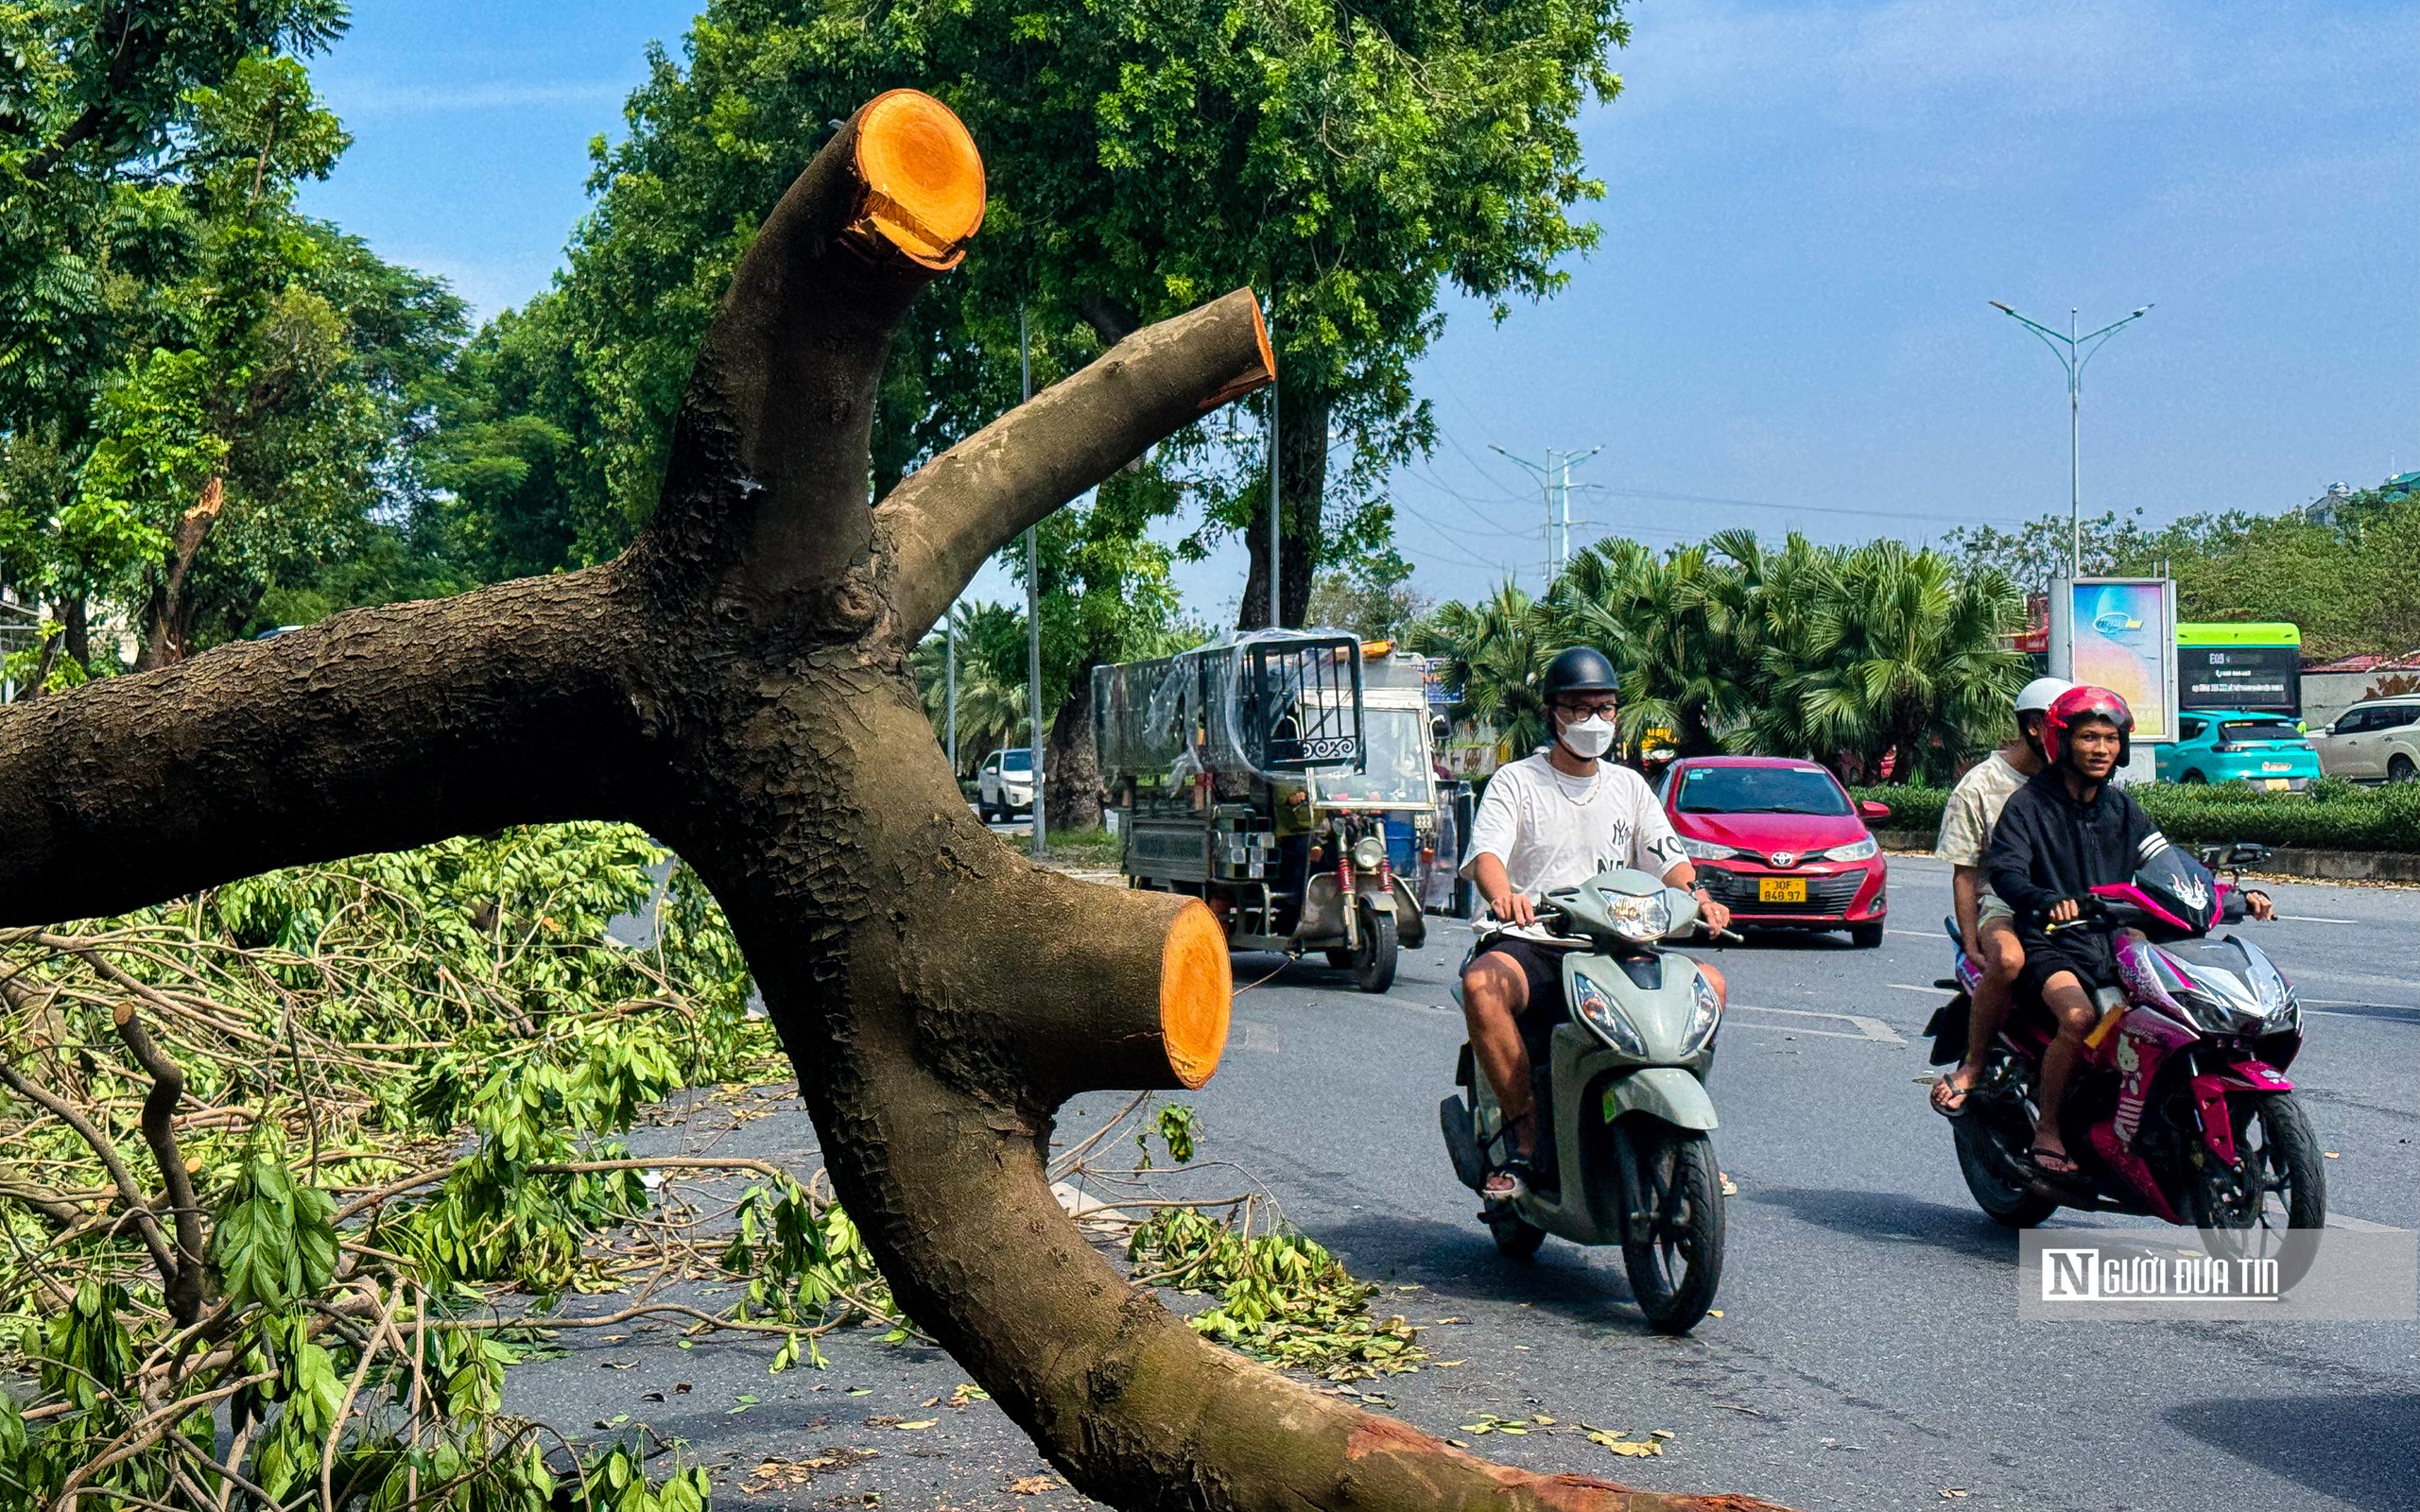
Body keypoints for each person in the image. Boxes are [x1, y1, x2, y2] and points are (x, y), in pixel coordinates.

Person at [1458, 646, 1733, 1201]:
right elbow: (1487, 854)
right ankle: (1527, 1141)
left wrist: (1698, 897)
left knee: (1711, 984)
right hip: (1536, 939)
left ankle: (1681, 1137)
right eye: (1578, 709)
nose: (1593, 721)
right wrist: (1505, 895)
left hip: (1617, 942)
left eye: (1604, 709)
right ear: (1551, 713)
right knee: (1482, 987)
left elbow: (1668, 856)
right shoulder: (1516, 782)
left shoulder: (1629, 786)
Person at [1986, 685, 2272, 1174]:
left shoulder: (2123, 809)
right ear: (2062, 740)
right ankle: (2049, 1128)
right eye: (2089, 737)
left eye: (2111, 738)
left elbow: (2165, 862)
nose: (2101, 748)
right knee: (2077, 1018)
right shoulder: (2028, 806)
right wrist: (2047, 901)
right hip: (2051, 942)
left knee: (2171, 1011)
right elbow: (2007, 873)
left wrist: (2228, 897)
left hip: (2115, 937)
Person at [1928, 676, 2070, 1115]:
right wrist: (1971, 943)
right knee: (2007, 961)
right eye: (2068, 729)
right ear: (2035, 727)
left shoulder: (2078, 777)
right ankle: (1972, 1064)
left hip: (2073, 900)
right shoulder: (1980, 786)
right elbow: (1966, 873)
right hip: (2005, 902)